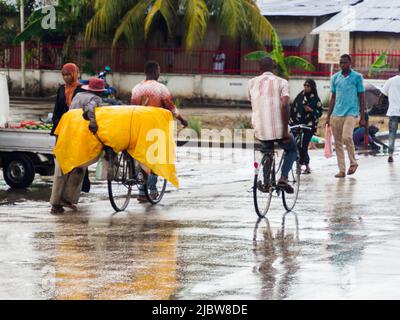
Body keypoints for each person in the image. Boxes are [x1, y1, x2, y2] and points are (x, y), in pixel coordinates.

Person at [131, 61, 188, 202]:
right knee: (155, 158)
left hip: (139, 128)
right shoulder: (161, 88)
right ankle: (152, 189)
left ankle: (141, 191)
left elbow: (132, 108)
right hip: (155, 129)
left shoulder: (136, 88)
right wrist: (182, 120)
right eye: (159, 71)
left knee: (142, 158)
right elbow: (171, 108)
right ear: (156, 72)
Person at [49, 78, 106, 214]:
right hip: (80, 137)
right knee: (79, 167)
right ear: (99, 92)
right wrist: (93, 122)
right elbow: (90, 109)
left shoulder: (78, 96)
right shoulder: (96, 99)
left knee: (62, 169)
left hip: (66, 133)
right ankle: (68, 199)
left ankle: (55, 204)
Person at [248, 57, 297, 192]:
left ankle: (266, 183)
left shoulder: (251, 83)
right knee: (292, 149)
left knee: (267, 149)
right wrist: (285, 131)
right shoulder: (282, 82)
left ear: (259, 68)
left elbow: (252, 100)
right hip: (279, 129)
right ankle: (283, 178)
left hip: (260, 128)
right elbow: (285, 104)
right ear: (274, 68)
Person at [326, 54, 366, 178]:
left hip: (351, 113)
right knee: (337, 143)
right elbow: (332, 98)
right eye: (341, 63)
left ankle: (353, 163)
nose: (342, 65)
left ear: (350, 63)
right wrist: (328, 116)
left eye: (345, 63)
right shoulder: (335, 78)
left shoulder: (357, 77)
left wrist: (363, 116)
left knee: (347, 137)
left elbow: (362, 97)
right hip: (336, 114)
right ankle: (342, 170)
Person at [290, 79, 323, 174]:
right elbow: (294, 108)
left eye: (308, 86)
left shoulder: (315, 99)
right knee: (298, 145)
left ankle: (300, 166)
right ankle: (307, 166)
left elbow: (320, 112)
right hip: (298, 124)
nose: (305, 87)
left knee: (304, 145)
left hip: (309, 126)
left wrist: (311, 110)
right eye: (304, 85)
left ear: (312, 87)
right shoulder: (300, 96)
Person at [377, 65, 400, 163]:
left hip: (394, 111)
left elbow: (382, 94)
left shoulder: (391, 80)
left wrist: (379, 103)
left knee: (392, 134)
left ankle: (390, 155)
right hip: (394, 111)